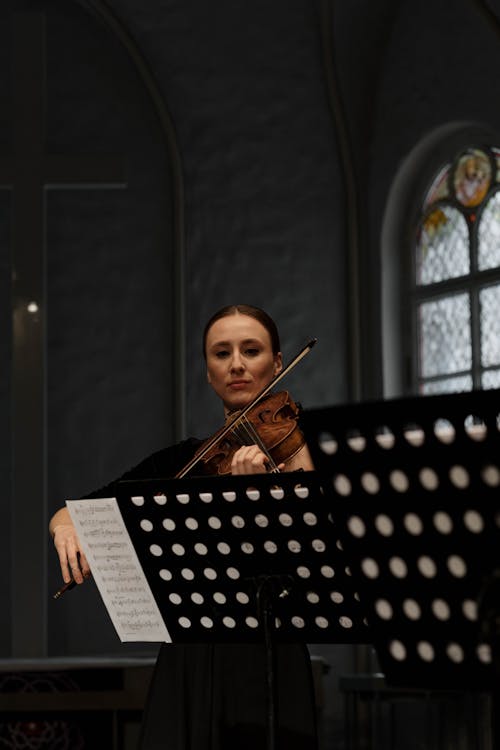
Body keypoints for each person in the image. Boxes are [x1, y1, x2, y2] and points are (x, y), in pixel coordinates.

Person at [49, 304, 318, 750]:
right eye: (221, 353)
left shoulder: (302, 445)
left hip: (271, 655)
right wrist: (66, 528)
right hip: (188, 656)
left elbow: (317, 544)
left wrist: (268, 500)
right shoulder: (180, 461)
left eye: (251, 351)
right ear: (209, 371)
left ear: (275, 365)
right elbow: (72, 511)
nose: (235, 364)